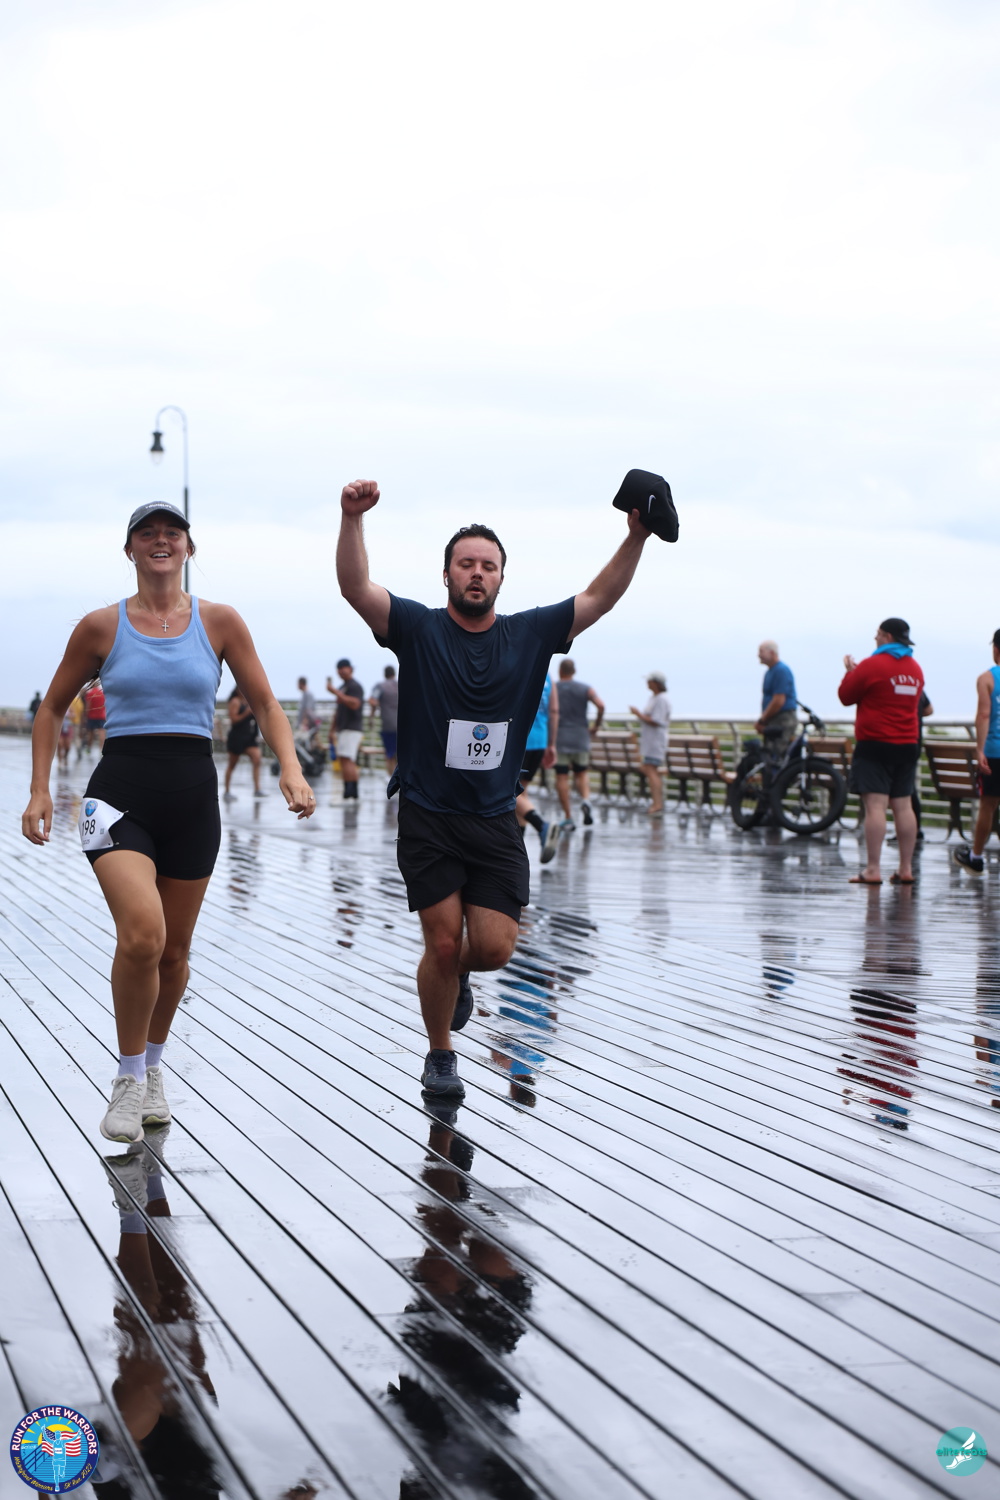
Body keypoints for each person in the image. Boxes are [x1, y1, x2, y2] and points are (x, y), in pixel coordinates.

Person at [336, 478, 656, 1098]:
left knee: (492, 948)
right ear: (447, 574)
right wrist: (353, 519)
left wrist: (636, 537)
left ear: (502, 577)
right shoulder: (417, 628)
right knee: (443, 940)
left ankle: (456, 976)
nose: (476, 573)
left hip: (494, 817)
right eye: (466, 564)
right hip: (428, 813)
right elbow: (356, 587)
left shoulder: (530, 634)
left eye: (488, 565)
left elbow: (598, 597)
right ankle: (440, 1054)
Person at [21, 500, 316, 1144]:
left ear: (188, 548)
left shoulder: (220, 622)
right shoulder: (102, 627)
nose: (161, 541)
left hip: (192, 803)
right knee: (143, 935)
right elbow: (51, 709)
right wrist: (40, 790)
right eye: (147, 534)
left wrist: (290, 769)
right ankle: (128, 1078)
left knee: (175, 952)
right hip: (116, 799)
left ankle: (153, 1067)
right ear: (129, 550)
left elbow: (266, 703)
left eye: (172, 533)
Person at [838, 617, 924, 886]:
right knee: (904, 806)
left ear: (887, 636)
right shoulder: (915, 669)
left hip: (875, 744)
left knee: (876, 806)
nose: (875, 638)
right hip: (907, 744)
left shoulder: (872, 664)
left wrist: (850, 672)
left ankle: (873, 869)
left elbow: (845, 696)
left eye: (877, 634)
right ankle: (906, 868)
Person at [955, 630, 1000, 874]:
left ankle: (976, 857)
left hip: (994, 751)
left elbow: (984, 715)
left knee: (988, 805)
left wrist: (979, 750)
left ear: (995, 649)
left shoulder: (987, 679)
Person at [515, 674, 561, 861]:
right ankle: (519, 849)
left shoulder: (522, 668)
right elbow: (554, 711)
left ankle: (541, 825)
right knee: (522, 792)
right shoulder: (549, 678)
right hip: (540, 740)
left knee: (510, 791)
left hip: (520, 740)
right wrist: (552, 744)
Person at [554, 659, 604, 829]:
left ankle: (568, 816)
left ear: (560, 671)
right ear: (574, 671)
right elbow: (601, 705)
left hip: (560, 737)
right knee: (581, 773)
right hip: (581, 736)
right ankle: (586, 800)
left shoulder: (554, 688)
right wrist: (596, 725)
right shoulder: (585, 688)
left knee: (562, 776)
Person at [630, 671, 671, 816]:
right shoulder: (653, 698)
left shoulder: (661, 699)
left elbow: (657, 720)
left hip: (655, 742)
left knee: (652, 771)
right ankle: (656, 803)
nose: (647, 683)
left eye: (649, 681)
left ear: (656, 683)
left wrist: (638, 714)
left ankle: (657, 804)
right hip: (650, 741)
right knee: (649, 770)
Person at [755, 641, 798, 772]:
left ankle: (776, 782)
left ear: (772, 653)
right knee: (769, 755)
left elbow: (779, 701)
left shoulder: (781, 670)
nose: (758, 655)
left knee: (777, 756)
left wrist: (762, 720)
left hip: (782, 719)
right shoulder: (770, 672)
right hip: (773, 719)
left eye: (761, 651)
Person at [326, 659, 364, 799]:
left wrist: (336, 692)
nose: (341, 671)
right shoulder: (343, 687)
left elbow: (355, 704)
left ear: (350, 669)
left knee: (348, 759)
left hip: (352, 728)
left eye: (344, 667)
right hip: (343, 728)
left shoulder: (355, 686)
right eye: (339, 668)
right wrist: (332, 730)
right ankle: (349, 792)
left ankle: (351, 793)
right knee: (344, 760)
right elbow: (338, 711)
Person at [223, 684, 265, 799]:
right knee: (232, 764)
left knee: (257, 759)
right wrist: (246, 713)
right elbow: (233, 720)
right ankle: (227, 791)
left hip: (249, 738)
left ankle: (257, 789)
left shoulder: (248, 702)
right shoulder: (235, 702)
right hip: (237, 738)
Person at [369, 664, 399, 775]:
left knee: (389, 754)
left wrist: (372, 716)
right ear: (394, 674)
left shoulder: (380, 686)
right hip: (403, 725)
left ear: (384, 674)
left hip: (388, 724)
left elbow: (373, 701)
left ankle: (392, 778)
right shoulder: (401, 685)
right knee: (401, 755)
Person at [83, 678, 107, 753]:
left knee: (90, 733)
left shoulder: (90, 694)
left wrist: (85, 716)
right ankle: (102, 749)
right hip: (101, 716)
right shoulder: (102, 693)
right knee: (101, 732)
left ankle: (89, 749)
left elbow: (88, 706)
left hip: (91, 716)